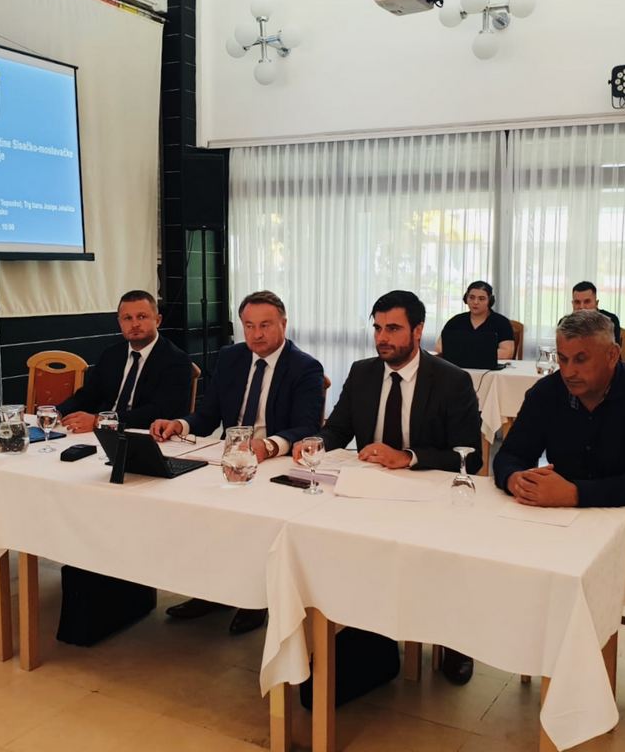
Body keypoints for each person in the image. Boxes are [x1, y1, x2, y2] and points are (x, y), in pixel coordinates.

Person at [493, 310, 625, 750]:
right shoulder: (547, 393)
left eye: (581, 359)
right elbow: (510, 455)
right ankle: (541, 654)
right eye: (562, 359)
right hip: (570, 515)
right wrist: (515, 478)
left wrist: (575, 493)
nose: (569, 371)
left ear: (612, 356)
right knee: (505, 556)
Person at [294, 290, 483, 686]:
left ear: (418, 330)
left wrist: (408, 457)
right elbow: (337, 429)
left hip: (428, 496)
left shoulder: (451, 380)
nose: (382, 338)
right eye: (377, 328)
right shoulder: (363, 372)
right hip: (369, 493)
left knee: (439, 553)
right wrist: (314, 444)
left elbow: (470, 456)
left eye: (393, 328)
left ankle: (453, 639)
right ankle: (361, 622)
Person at [151, 290, 325, 634]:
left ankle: (254, 600)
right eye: (248, 326)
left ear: (284, 324)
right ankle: (211, 591)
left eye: (265, 325)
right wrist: (180, 425)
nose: (256, 334)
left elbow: (307, 426)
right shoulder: (230, 357)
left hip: (276, 462)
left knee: (255, 519)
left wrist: (268, 446)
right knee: (196, 508)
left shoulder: (305, 367)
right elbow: (207, 415)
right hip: (231, 457)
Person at [58, 290, 193, 433]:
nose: (134, 324)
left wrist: (101, 421)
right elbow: (88, 395)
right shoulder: (111, 354)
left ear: (158, 320)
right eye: (127, 318)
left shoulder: (176, 360)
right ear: (119, 322)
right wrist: (58, 412)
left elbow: (160, 411)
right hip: (104, 434)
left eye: (141, 317)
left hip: (148, 436)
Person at [437, 280, 516, 360]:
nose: (475, 302)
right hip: (459, 365)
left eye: (481, 299)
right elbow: (439, 346)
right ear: (466, 298)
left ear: (490, 301)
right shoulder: (456, 321)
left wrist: (468, 354)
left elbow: (507, 352)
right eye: (471, 297)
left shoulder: (501, 322)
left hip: (488, 366)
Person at [570, 280, 622, 345]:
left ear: (596, 303)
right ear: (572, 304)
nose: (582, 307)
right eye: (577, 302)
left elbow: (614, 350)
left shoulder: (610, 320)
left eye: (587, 301)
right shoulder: (565, 324)